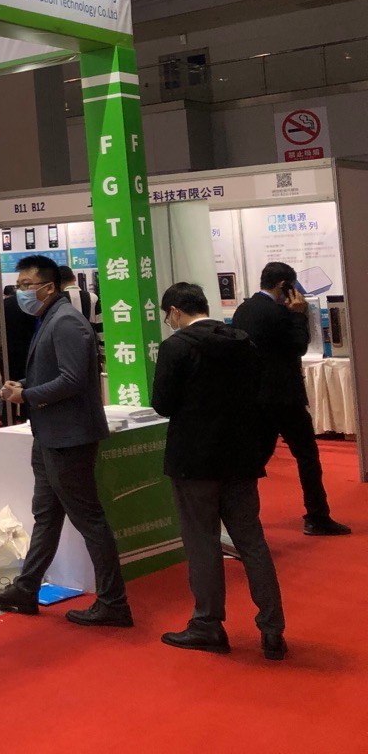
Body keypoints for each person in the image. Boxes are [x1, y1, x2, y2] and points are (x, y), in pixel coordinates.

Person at [0, 255, 132, 627]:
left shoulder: (65, 322)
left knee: (89, 519)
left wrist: (27, 396)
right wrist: (24, 385)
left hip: (69, 437)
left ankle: (114, 602)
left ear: (48, 287)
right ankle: (27, 588)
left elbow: (73, 379)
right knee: (46, 515)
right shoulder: (50, 319)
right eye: (19, 285)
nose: (21, 292)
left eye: (27, 285)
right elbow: (55, 374)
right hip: (50, 435)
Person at [152, 282, 286, 659]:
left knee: (202, 542)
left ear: (175, 312)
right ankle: (273, 628)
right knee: (252, 542)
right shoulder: (243, 342)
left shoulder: (177, 347)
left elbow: (162, 404)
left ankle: (207, 624)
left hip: (194, 460)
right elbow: (259, 397)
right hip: (240, 457)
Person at [232, 262, 350, 536]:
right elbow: (299, 346)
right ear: (285, 285)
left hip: (256, 397)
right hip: (285, 398)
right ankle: (317, 516)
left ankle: (238, 517)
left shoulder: (243, 310)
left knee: (256, 459)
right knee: (307, 455)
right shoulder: (280, 313)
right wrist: (298, 315)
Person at [0, 285, 35, 424]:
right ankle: (27, 419)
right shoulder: (29, 307)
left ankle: (8, 420)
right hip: (27, 353)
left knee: (8, 387)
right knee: (26, 386)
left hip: (7, 355)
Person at [59, 264, 104, 358]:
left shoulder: (57, 300)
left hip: (65, 350)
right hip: (90, 349)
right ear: (74, 278)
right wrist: (103, 352)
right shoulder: (93, 297)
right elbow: (100, 326)